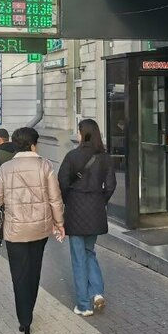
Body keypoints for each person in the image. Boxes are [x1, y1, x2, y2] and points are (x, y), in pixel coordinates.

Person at [0, 126, 65, 334]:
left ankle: (24, 319)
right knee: (34, 270)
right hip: (39, 229)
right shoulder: (45, 165)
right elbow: (55, 198)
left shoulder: (5, 168)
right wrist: (59, 223)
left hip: (14, 229)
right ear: (33, 145)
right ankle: (29, 310)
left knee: (18, 274)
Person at [58, 119, 117, 317]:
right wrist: (100, 201)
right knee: (89, 251)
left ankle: (83, 305)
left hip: (75, 210)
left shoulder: (72, 156)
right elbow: (111, 185)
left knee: (78, 258)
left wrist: (68, 200)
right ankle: (97, 292)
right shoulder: (105, 158)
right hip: (95, 210)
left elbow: (62, 182)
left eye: (78, 131)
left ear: (82, 134)